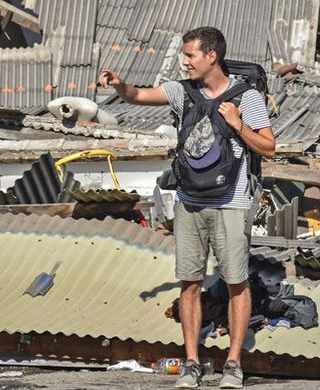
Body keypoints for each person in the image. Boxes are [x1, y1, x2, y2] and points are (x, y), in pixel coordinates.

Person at [99, 26, 275, 389]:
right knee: (190, 283)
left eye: (191, 55)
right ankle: (192, 362)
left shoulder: (248, 98)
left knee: (236, 283)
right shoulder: (183, 91)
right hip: (190, 202)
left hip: (232, 203)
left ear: (212, 56)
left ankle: (233, 364)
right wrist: (119, 85)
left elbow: (269, 148)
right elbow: (137, 95)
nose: (185, 61)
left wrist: (237, 123)